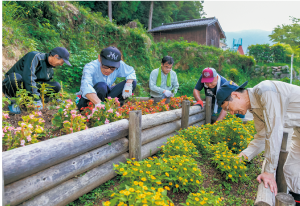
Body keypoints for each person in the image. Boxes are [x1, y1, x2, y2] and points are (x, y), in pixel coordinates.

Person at [216, 80, 300, 205]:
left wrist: (269, 171)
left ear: (235, 95)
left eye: (228, 108)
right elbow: (262, 137)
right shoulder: (255, 108)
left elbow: (274, 130)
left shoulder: (265, 91)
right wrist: (241, 157)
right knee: (292, 172)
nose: (232, 113)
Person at [2, 47, 72, 114]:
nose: (61, 64)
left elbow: (45, 84)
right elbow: (29, 77)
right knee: (14, 78)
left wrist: (53, 97)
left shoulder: (51, 69)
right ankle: (14, 102)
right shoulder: (35, 57)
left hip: (29, 89)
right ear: (56, 56)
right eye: (62, 62)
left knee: (56, 86)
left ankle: (33, 101)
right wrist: (36, 99)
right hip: (16, 84)